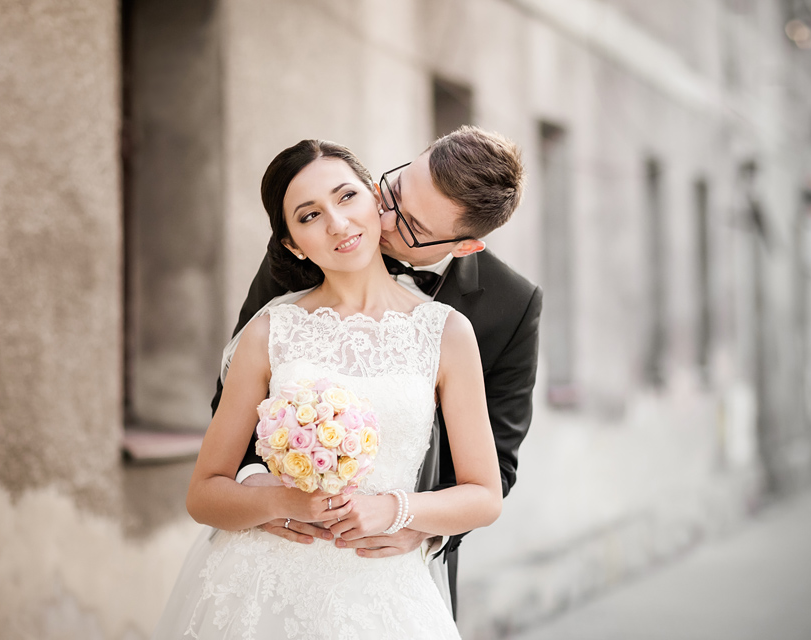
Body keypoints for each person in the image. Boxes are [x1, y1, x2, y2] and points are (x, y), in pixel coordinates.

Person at [152, 139, 502, 638]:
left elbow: (485, 494)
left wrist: (396, 510)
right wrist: (279, 501)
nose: (337, 224)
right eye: (309, 215)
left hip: (381, 592)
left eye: (346, 198)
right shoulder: (271, 330)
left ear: (374, 200)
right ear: (293, 243)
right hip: (262, 588)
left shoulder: (444, 332)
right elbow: (203, 494)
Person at [224, 125, 543, 616]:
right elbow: (234, 401)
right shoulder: (314, 240)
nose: (383, 219)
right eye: (392, 191)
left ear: (463, 246)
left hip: (393, 574)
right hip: (280, 558)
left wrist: (419, 526)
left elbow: (493, 466)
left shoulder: (509, 307)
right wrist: (258, 491)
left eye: (412, 224)